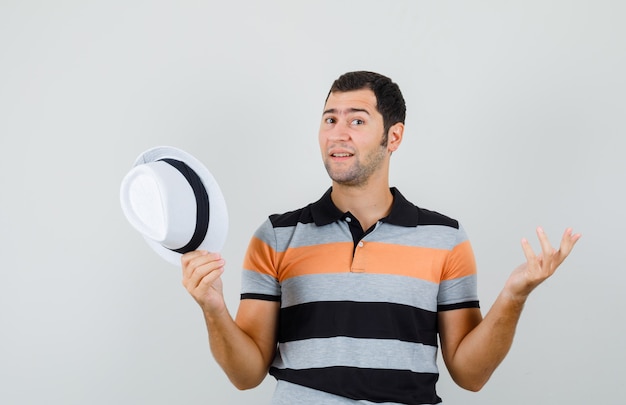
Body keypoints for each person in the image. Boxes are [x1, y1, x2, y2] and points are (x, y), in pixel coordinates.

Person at [181, 71, 581, 404]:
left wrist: (514, 295)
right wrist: (213, 308)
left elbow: (470, 375)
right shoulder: (276, 236)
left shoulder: (445, 238)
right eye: (329, 119)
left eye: (357, 120)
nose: (338, 134)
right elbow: (246, 375)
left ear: (393, 137)